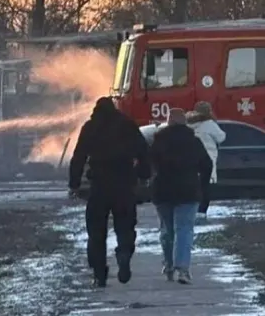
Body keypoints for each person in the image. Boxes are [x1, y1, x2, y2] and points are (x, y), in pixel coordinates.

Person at [69, 97, 150, 288]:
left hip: (99, 185)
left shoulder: (90, 127)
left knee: (96, 232)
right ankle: (124, 253)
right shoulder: (127, 125)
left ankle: (99, 273)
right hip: (124, 184)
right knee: (126, 225)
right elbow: (143, 151)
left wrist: (74, 183)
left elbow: (79, 156)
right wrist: (143, 174)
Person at [150, 108, 213, 285]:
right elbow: (207, 164)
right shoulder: (194, 142)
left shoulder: (158, 141)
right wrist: (202, 184)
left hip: (163, 191)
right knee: (184, 229)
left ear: (168, 121)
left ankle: (169, 264)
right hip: (188, 191)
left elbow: (149, 164)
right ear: (185, 122)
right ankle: (183, 269)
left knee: (167, 230)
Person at [186, 101, 226, 217]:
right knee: (205, 187)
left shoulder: (188, 123)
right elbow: (221, 137)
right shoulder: (209, 124)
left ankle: (192, 209)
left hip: (190, 158)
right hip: (207, 158)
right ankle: (201, 212)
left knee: (192, 185)